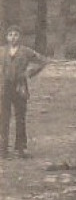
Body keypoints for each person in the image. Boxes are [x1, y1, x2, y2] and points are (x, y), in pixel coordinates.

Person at [1, 25, 49, 159]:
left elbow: (43, 61)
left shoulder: (26, 51)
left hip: (20, 87)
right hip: (4, 88)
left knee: (20, 117)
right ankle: (3, 148)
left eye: (16, 34)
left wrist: (29, 72)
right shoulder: (2, 51)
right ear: (6, 37)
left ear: (20, 37)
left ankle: (20, 148)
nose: (13, 37)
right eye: (10, 35)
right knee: (3, 118)